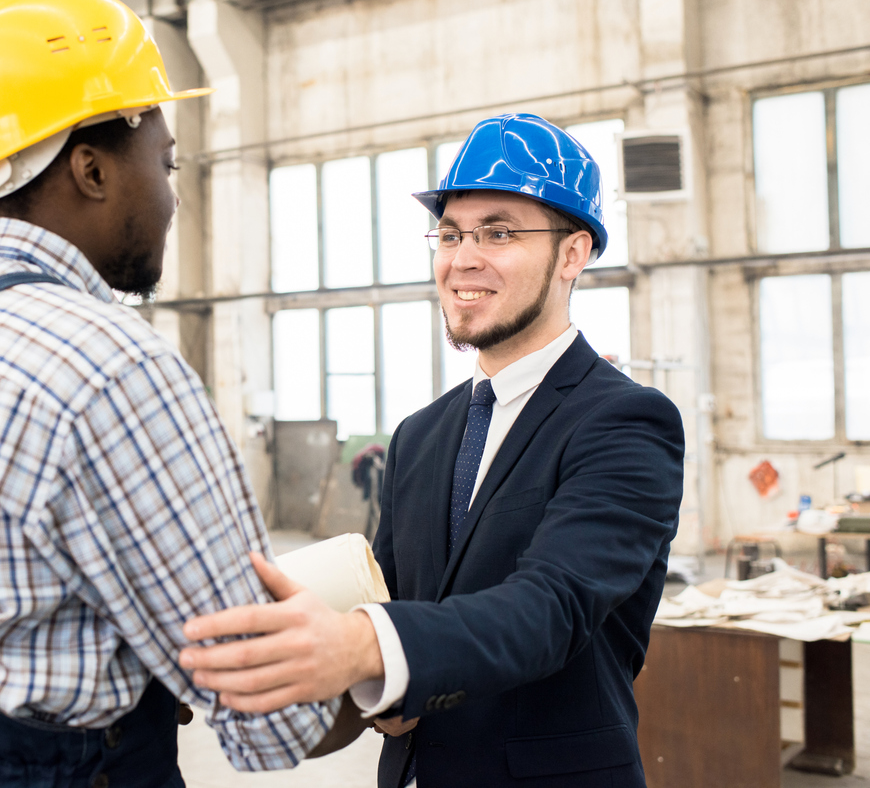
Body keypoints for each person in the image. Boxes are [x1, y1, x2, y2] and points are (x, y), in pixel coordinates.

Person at [0, 0, 366, 788]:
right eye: (166, 161)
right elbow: (266, 712)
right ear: (92, 167)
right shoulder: (116, 368)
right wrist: (385, 683)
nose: (174, 195)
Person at [177, 113, 685, 788]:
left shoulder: (625, 421)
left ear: (572, 254)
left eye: (498, 232)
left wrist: (361, 644)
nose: (461, 258)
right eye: (449, 234)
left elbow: (551, 606)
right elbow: (387, 597)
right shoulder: (421, 434)